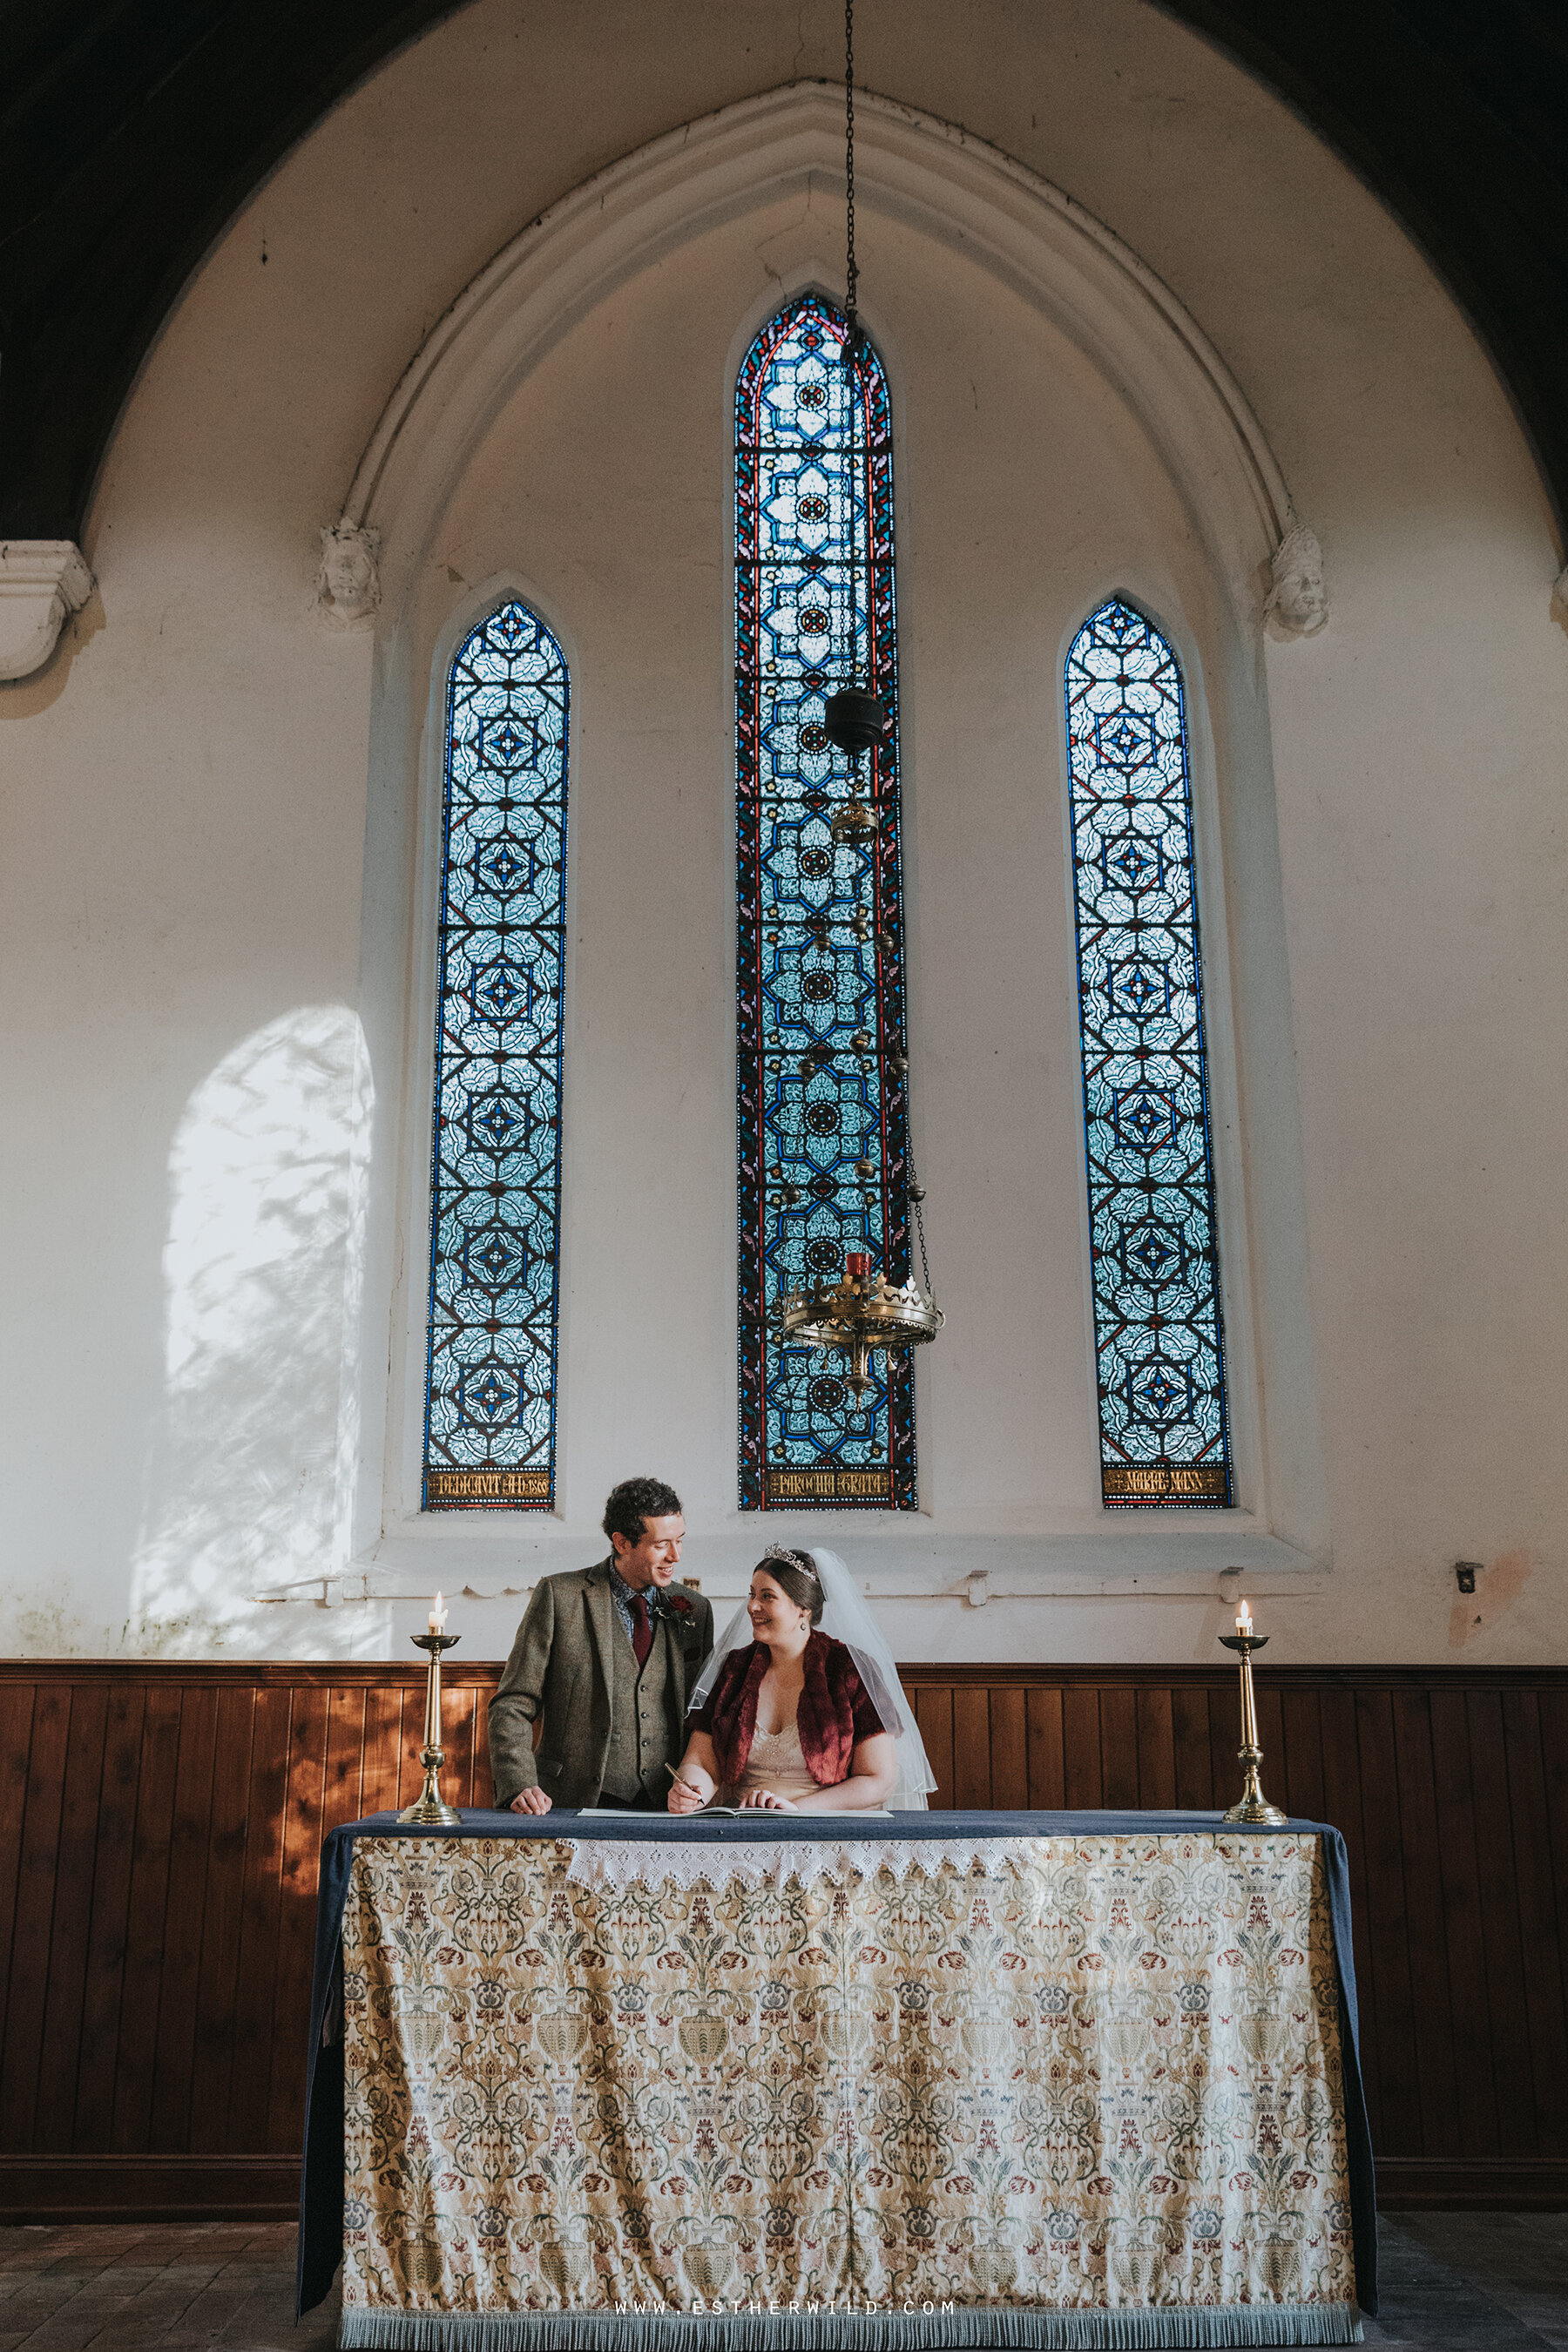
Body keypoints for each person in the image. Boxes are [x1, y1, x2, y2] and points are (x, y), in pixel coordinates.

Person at [487, 1477, 713, 1813]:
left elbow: (702, 1717)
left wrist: (699, 1785)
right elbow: (512, 1703)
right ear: (622, 1542)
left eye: (679, 1541)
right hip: (570, 1802)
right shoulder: (559, 1597)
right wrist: (519, 1782)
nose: (675, 1556)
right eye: (662, 1544)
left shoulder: (694, 1607)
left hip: (669, 1807)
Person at [667, 1544, 936, 1814]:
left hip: (823, 1826)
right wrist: (692, 1790)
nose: (752, 1606)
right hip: (742, 1824)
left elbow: (879, 1780)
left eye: (767, 1596)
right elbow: (702, 1760)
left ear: (803, 1608)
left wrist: (795, 1809)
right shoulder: (734, 1668)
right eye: (751, 1594)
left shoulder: (849, 1669)